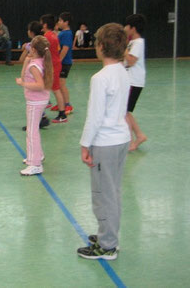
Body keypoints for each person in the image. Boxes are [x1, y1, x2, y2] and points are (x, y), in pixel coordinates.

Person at [77, 23, 130, 261]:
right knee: (113, 191)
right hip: (121, 140)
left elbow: (95, 116)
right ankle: (108, 235)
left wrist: (85, 144)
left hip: (105, 143)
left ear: (100, 47)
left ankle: (108, 245)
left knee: (102, 194)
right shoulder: (123, 71)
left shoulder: (100, 78)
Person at [16, 35, 53, 175]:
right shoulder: (39, 61)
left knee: (31, 132)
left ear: (34, 49)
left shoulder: (34, 65)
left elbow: (39, 85)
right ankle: (38, 155)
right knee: (34, 130)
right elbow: (24, 74)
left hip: (35, 101)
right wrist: (27, 59)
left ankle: (35, 164)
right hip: (40, 100)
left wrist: (23, 84)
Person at [19, 21, 50, 130]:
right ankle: (42, 116)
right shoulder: (41, 42)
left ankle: (38, 120)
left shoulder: (33, 45)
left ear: (31, 32)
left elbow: (21, 59)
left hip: (33, 77)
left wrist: (26, 50)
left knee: (35, 96)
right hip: (42, 73)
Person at [124, 14, 148, 151]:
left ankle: (134, 138)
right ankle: (137, 136)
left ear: (133, 28)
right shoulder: (132, 42)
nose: (125, 28)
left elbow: (131, 61)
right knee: (125, 111)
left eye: (127, 26)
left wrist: (123, 48)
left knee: (124, 111)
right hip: (129, 81)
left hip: (134, 81)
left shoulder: (138, 43)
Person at [40, 14, 66, 123]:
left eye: (41, 23)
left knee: (56, 89)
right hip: (54, 64)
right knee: (49, 88)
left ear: (45, 24)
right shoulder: (53, 35)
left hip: (52, 66)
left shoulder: (47, 37)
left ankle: (62, 114)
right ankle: (44, 110)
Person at [51, 12, 74, 115]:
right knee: (58, 84)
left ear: (66, 22)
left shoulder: (67, 33)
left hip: (64, 63)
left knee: (61, 84)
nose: (59, 22)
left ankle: (68, 104)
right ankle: (61, 104)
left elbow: (65, 49)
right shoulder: (62, 33)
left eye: (60, 20)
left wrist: (58, 61)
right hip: (61, 62)